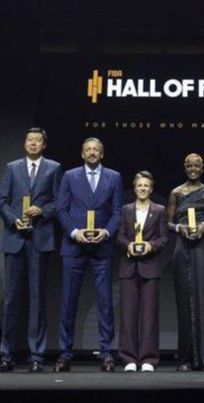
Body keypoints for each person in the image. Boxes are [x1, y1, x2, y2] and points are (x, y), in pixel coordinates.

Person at [0, 128, 62, 373]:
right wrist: (14, 220)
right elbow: (1, 202)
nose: (33, 143)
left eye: (37, 140)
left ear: (44, 144)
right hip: (16, 238)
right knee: (12, 299)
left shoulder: (54, 168)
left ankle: (36, 356)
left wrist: (42, 211)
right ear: (25, 143)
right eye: (29, 140)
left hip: (40, 238)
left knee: (37, 299)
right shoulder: (12, 168)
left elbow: (59, 201)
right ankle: (7, 355)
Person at [54, 137, 123, 372]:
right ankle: (64, 354)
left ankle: (107, 353)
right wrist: (75, 233)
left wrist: (106, 232)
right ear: (82, 154)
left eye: (96, 150)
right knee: (68, 302)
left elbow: (117, 212)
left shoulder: (114, 177)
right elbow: (61, 209)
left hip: (102, 247)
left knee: (105, 302)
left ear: (102, 154)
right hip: (74, 246)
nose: (92, 153)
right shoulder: (70, 176)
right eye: (88, 150)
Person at [168, 153, 204, 372]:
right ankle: (186, 358)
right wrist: (179, 228)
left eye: (197, 165)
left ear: (202, 167)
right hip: (183, 246)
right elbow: (168, 223)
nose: (193, 168)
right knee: (185, 299)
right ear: (184, 167)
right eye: (189, 165)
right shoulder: (176, 193)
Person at [116, 171, 168, 373]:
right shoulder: (126, 210)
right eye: (139, 185)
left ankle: (148, 358)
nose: (143, 189)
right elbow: (120, 236)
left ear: (151, 189)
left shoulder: (159, 210)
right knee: (128, 316)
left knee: (149, 316)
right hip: (129, 268)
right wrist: (128, 245)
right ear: (135, 188)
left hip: (150, 268)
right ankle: (128, 358)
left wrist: (150, 246)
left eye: (146, 185)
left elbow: (164, 238)